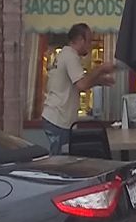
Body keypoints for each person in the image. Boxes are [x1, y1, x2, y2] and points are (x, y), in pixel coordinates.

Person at [41, 23, 116, 155]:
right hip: (59, 119)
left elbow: (75, 85)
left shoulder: (64, 54)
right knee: (60, 161)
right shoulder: (71, 56)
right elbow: (82, 85)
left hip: (55, 116)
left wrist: (98, 81)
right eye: (89, 41)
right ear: (81, 40)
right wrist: (100, 69)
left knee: (63, 158)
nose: (90, 45)